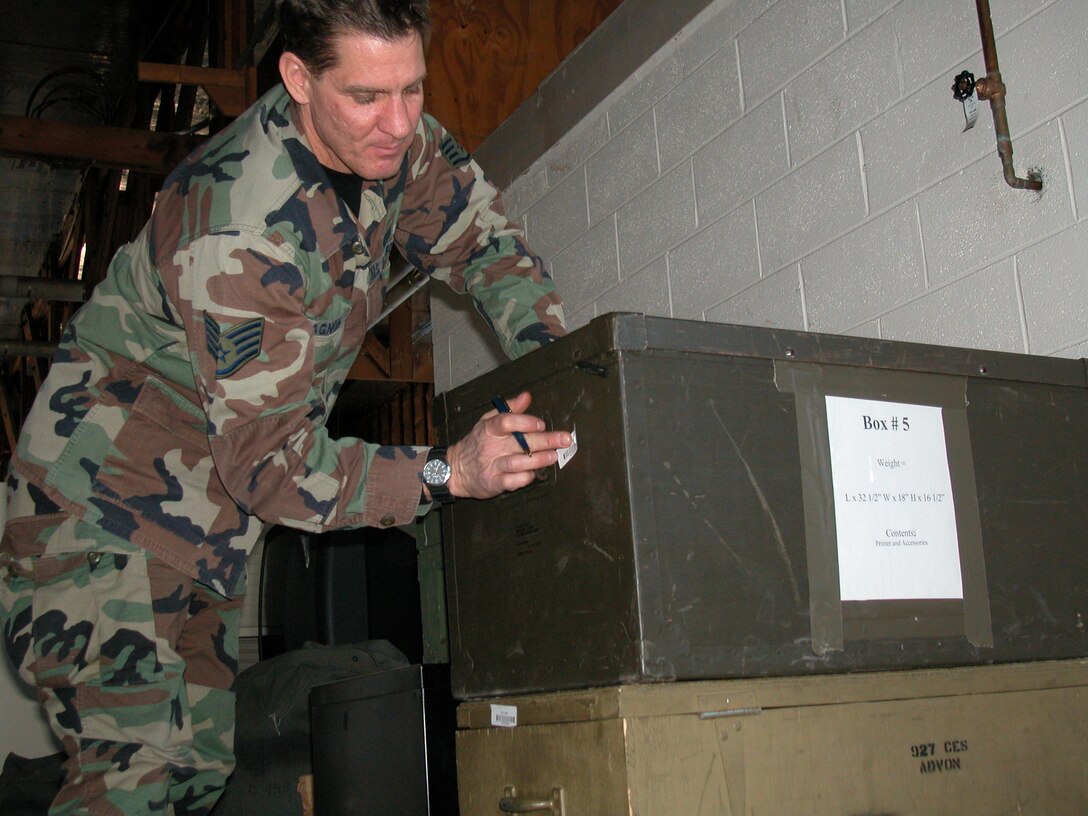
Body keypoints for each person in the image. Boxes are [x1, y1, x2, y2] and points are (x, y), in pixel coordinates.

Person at [0, 0, 570, 812]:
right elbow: (275, 468)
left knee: (189, 775)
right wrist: (451, 470)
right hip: (98, 522)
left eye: (413, 89)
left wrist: (557, 365)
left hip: (197, 527)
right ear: (298, 78)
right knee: (143, 779)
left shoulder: (395, 138)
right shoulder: (239, 228)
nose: (399, 122)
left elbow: (483, 239)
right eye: (368, 97)